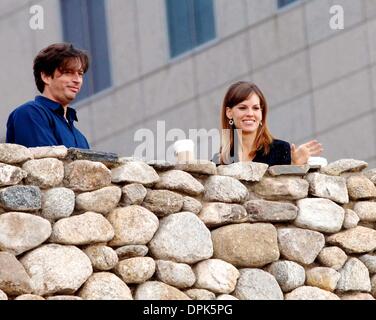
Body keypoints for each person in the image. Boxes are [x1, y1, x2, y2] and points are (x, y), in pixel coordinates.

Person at [213, 81, 323, 166]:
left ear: (262, 113)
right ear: (229, 113)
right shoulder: (219, 160)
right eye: (243, 108)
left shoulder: (281, 150)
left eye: (256, 108)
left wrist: (295, 165)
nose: (250, 113)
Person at [6, 43, 90, 149]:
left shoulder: (81, 138)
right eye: (68, 72)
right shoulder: (30, 113)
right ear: (46, 76)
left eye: (80, 73)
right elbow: (45, 163)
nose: (77, 80)